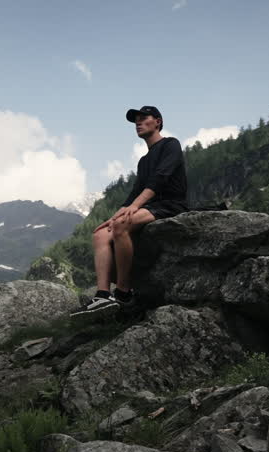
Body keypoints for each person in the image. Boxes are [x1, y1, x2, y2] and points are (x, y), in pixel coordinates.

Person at [72, 105, 188, 317]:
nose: (138, 122)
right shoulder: (144, 161)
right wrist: (113, 217)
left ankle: (123, 293)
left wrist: (134, 207)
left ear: (158, 122)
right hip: (149, 207)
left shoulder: (171, 144)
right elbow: (134, 193)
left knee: (121, 225)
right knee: (100, 234)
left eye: (144, 118)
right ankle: (102, 295)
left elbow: (161, 178)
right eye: (136, 120)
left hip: (171, 205)